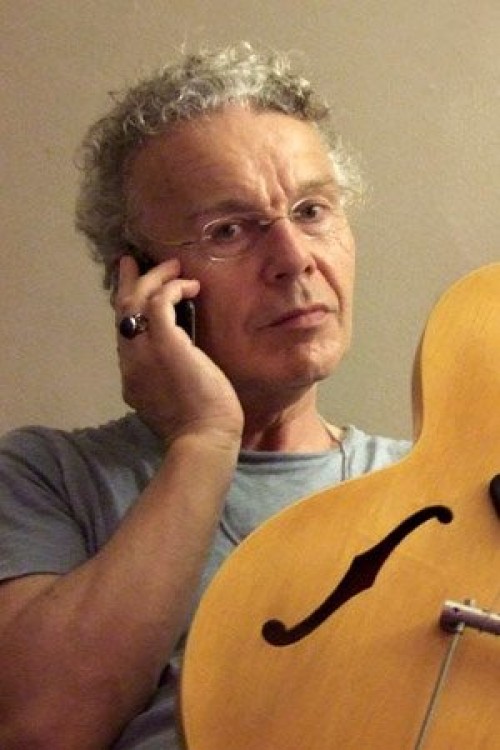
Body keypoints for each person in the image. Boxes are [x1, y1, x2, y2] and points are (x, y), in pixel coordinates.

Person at [0, 43, 410, 749]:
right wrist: (204, 438)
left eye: (312, 210)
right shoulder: (45, 478)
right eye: (229, 231)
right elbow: (44, 729)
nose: (294, 259)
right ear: (144, 286)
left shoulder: (441, 492)